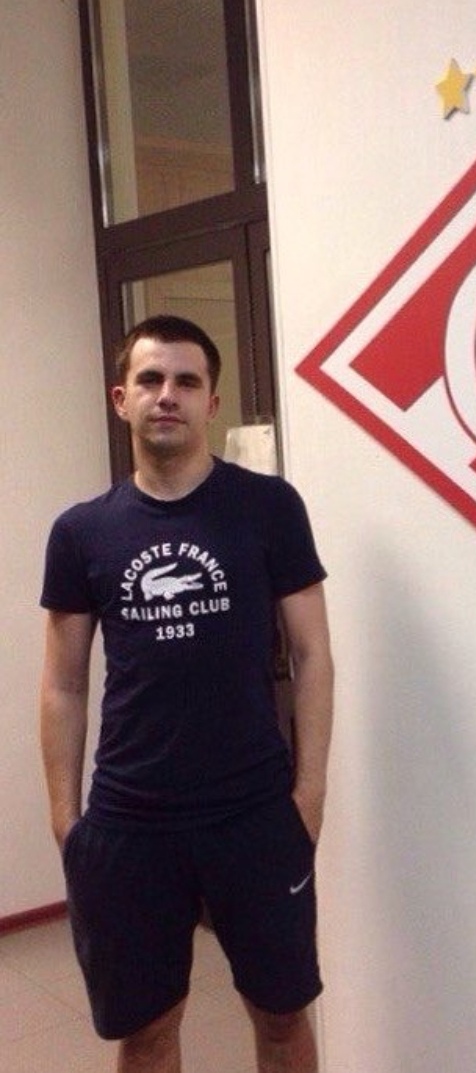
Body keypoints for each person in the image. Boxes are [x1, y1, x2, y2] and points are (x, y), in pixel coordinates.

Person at [39, 315, 334, 1073]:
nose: (167, 394)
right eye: (150, 379)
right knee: (147, 1032)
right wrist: (67, 821)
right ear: (122, 399)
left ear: (211, 402)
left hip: (254, 814)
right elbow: (63, 683)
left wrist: (308, 795)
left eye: (186, 381)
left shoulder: (270, 509)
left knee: (282, 1017)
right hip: (131, 824)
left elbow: (312, 655)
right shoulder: (81, 532)